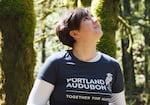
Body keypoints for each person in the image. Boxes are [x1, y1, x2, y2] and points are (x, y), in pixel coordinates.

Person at [27, 8, 126, 105]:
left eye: (92, 16)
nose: (95, 20)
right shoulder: (56, 64)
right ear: (75, 33)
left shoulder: (112, 66)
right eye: (86, 19)